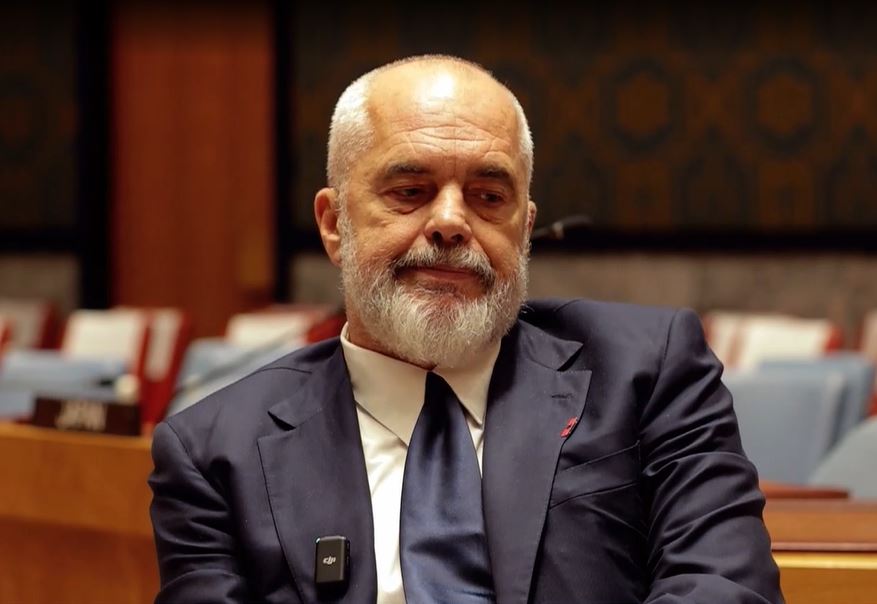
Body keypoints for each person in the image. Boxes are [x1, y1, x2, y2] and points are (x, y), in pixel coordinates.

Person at [149, 55, 784, 604]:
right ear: (335, 224)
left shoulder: (646, 370)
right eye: (409, 190)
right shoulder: (215, 452)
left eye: (488, 197)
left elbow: (724, 584)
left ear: (524, 228)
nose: (451, 222)